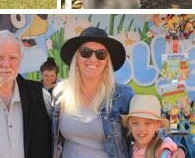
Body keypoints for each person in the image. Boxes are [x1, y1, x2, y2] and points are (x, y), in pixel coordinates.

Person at [52, 27, 186, 158]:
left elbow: (152, 125)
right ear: (76, 59)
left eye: (101, 54)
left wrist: (179, 147)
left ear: (106, 63)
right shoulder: (60, 93)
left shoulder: (123, 95)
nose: (93, 59)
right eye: (85, 52)